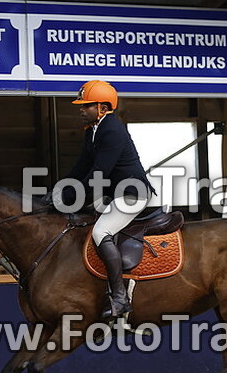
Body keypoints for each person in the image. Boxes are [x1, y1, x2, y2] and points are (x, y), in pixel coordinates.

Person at [61, 80, 154, 320]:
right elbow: (82, 167)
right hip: (114, 194)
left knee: (101, 232)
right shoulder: (93, 130)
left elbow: (99, 173)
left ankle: (120, 298)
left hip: (132, 194)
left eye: (87, 105)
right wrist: (60, 189)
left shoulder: (111, 130)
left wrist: (69, 196)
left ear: (102, 107)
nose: (81, 109)